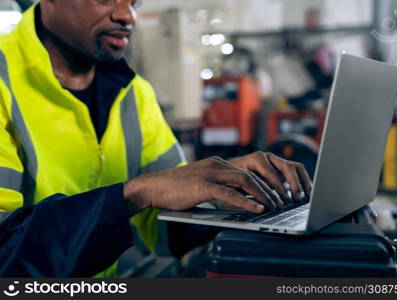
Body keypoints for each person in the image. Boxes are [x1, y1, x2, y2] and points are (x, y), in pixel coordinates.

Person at [0, 0, 312, 277]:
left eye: (134, 1)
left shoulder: (134, 94)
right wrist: (134, 194)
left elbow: (165, 232)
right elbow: (5, 255)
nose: (127, 15)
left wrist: (226, 193)